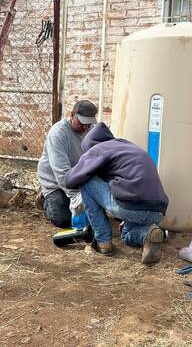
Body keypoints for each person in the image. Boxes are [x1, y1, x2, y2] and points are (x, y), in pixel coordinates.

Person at [65, 122, 169, 264]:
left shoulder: (98, 149)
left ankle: (103, 241)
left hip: (132, 206)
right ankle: (147, 235)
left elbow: (70, 180)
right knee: (126, 235)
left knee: (86, 182)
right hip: (158, 211)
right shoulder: (128, 147)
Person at [37, 100, 98, 228]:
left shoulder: (92, 130)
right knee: (63, 219)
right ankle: (44, 197)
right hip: (55, 182)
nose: (85, 128)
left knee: (92, 214)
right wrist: (76, 196)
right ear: (72, 115)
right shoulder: (58, 134)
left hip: (78, 179)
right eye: (82, 123)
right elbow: (61, 172)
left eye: (88, 124)